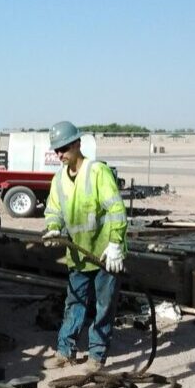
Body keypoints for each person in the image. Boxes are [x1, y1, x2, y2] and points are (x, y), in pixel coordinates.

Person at [41, 122, 128, 372]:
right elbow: (53, 210)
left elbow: (116, 210)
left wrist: (115, 245)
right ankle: (65, 351)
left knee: (104, 306)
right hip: (78, 255)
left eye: (64, 148)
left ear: (78, 144)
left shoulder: (97, 172)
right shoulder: (59, 179)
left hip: (104, 255)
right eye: (56, 150)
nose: (59, 154)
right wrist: (53, 226)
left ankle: (96, 357)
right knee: (74, 302)